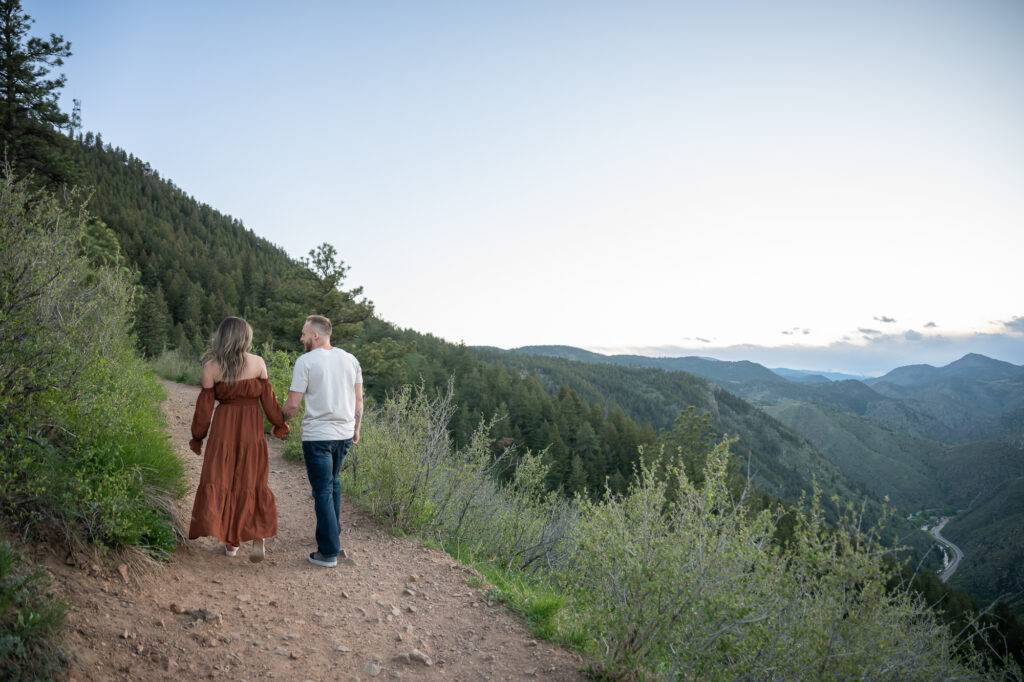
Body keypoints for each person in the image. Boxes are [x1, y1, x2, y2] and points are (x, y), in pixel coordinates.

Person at [189, 316, 290, 562]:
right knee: (251, 479)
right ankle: (257, 532)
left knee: (222, 479)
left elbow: (203, 411)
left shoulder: (211, 367)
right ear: (246, 338)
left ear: (221, 337)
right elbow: (269, 401)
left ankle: (231, 543)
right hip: (251, 430)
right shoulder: (258, 363)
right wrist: (279, 423)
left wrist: (197, 437)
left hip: (224, 428)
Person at [282, 314, 363, 568]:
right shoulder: (351, 360)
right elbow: (358, 400)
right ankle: (333, 535)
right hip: (345, 435)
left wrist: (279, 420)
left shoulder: (306, 361)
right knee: (333, 483)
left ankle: (328, 552)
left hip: (318, 437)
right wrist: (356, 428)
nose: (301, 338)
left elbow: (293, 404)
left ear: (316, 336)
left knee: (324, 490)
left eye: (304, 334)